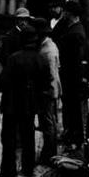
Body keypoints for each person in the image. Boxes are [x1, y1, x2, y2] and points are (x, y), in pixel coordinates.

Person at [0, 21, 49, 177]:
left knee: (9, 137)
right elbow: (45, 83)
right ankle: (28, 168)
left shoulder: (14, 58)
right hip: (30, 104)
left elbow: (3, 81)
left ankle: (8, 171)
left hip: (12, 104)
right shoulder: (40, 59)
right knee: (28, 136)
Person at [57, 0, 87, 146]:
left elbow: (75, 60)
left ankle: (75, 137)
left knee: (73, 109)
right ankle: (70, 134)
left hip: (71, 79)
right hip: (70, 77)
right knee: (70, 108)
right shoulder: (73, 29)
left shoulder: (75, 34)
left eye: (65, 12)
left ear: (69, 13)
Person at [35, 16, 61, 163]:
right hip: (49, 90)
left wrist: (48, 91)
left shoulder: (47, 51)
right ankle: (49, 152)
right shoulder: (50, 45)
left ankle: (49, 154)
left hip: (47, 92)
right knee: (49, 122)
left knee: (48, 123)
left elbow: (51, 74)